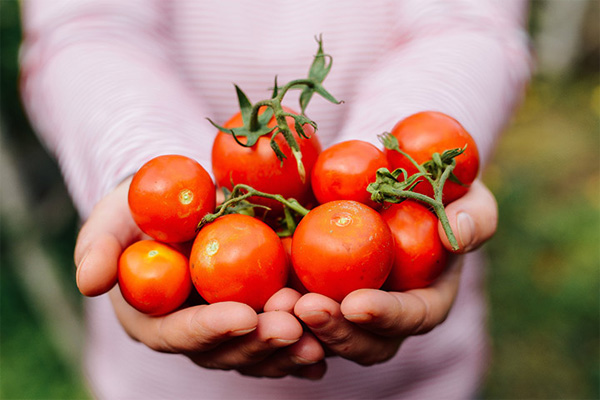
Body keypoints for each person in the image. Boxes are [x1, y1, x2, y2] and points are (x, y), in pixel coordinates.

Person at [19, 0, 532, 398]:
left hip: (416, 379)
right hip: (167, 386)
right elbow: (86, 27)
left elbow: (466, 21)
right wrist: (139, 168)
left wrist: (397, 159)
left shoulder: (391, 196)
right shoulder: (240, 165)